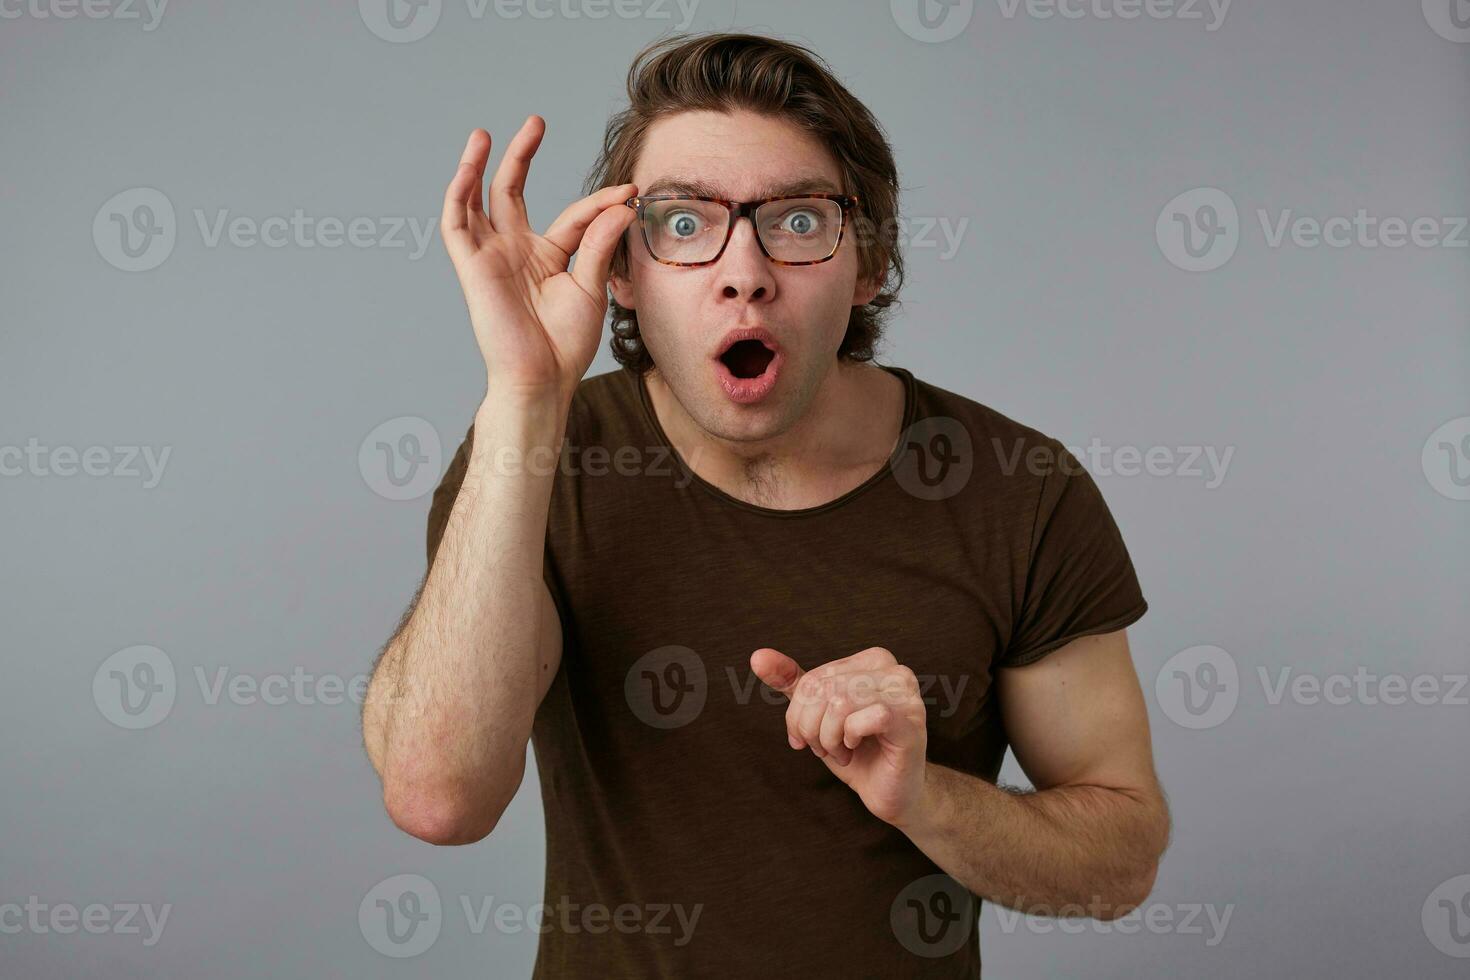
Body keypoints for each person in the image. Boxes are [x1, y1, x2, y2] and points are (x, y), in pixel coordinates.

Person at [362, 31, 1170, 978]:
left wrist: (923, 798)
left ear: (867, 268)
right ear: (622, 270)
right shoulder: (537, 455)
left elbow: (1119, 865)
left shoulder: (1021, 491)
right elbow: (439, 799)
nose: (743, 271)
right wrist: (523, 396)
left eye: (796, 221)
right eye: (684, 223)